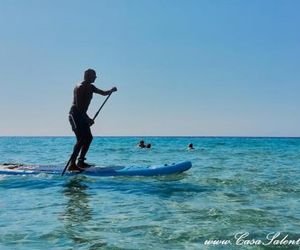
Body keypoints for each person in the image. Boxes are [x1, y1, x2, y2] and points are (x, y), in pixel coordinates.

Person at [68, 69, 117, 171]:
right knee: (80, 139)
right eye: (94, 75)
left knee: (89, 138)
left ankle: (80, 161)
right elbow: (79, 107)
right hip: (75, 115)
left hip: (82, 116)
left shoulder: (91, 87)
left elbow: (103, 93)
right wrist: (88, 119)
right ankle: (72, 165)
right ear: (87, 76)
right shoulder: (80, 87)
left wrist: (111, 91)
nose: (95, 77)